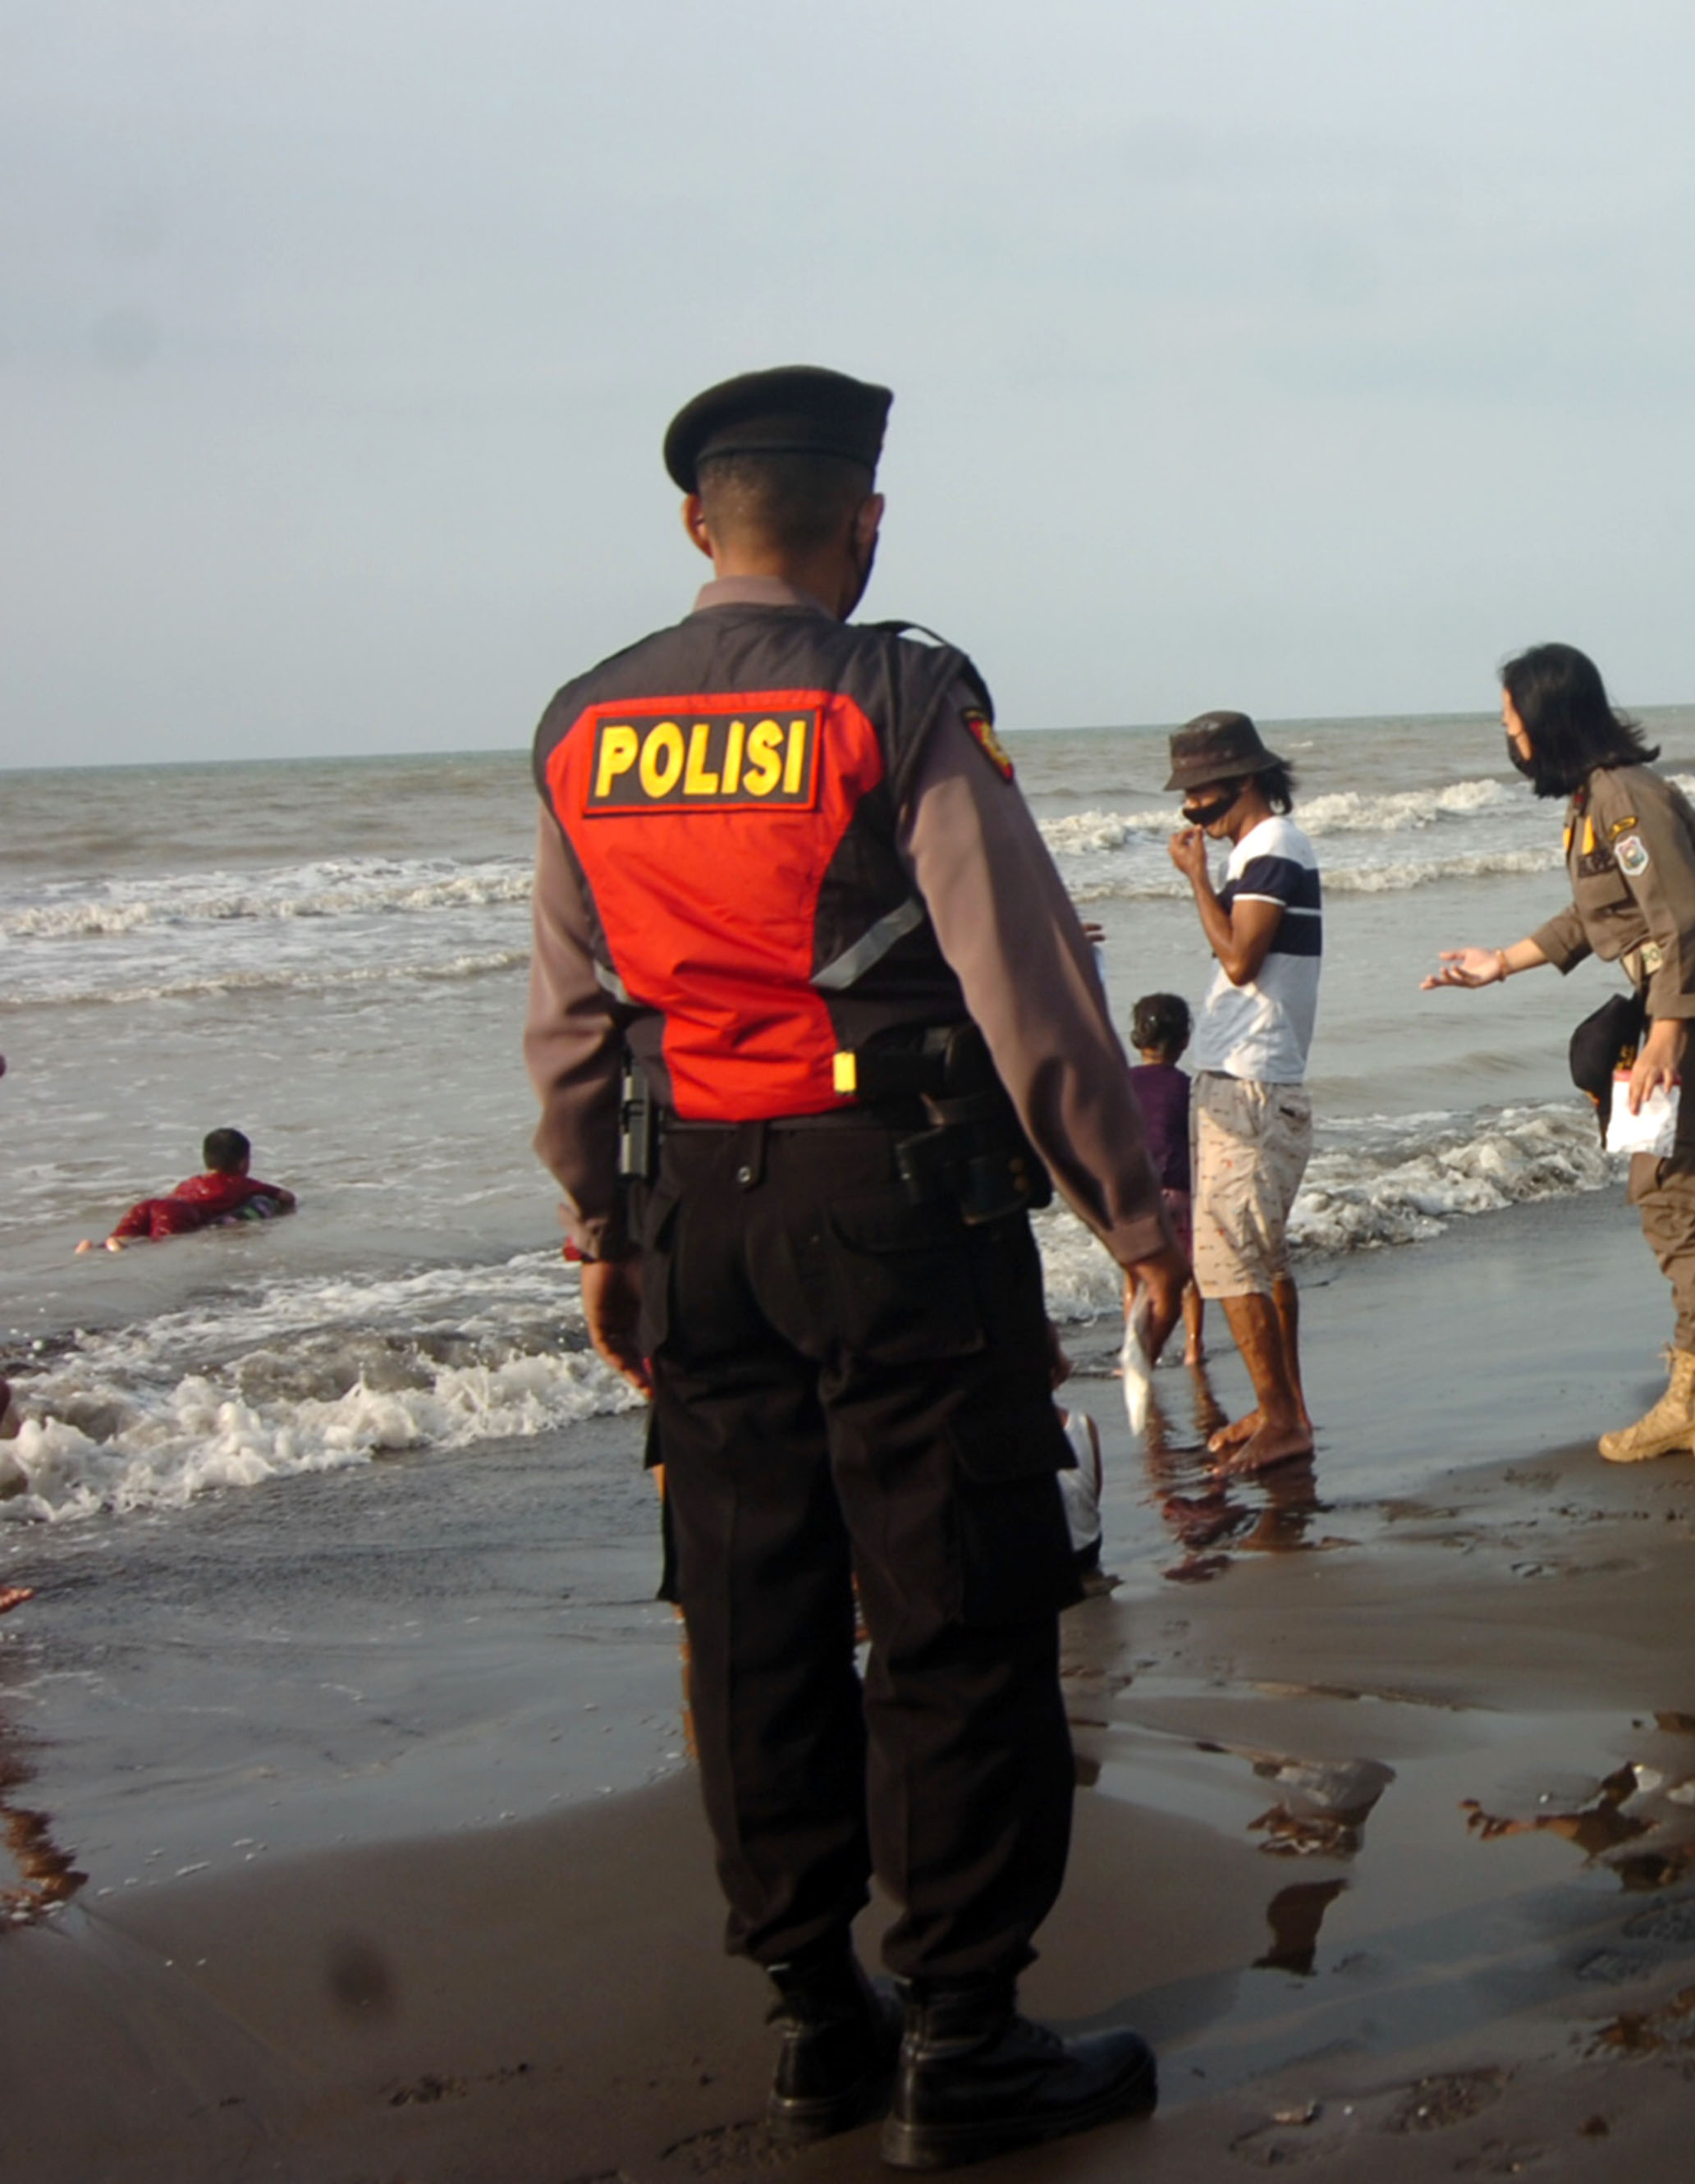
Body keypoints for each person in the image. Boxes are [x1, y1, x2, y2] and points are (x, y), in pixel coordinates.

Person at [524, 365, 1184, 2167]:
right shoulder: (894, 693)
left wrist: (601, 1225)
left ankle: (816, 2018)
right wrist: (1130, 1210)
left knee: (751, 1615)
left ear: (696, 524)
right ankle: (962, 2035)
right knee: (956, 1606)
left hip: (692, 1214)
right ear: (864, 523)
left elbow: (571, 1021)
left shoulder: (584, 724)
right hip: (894, 1209)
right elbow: (1024, 978)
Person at [1420, 642, 1695, 1466]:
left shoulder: (1624, 797)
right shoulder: (1598, 798)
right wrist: (1501, 962)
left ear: (1547, 719)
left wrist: (1667, 1030)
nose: (1509, 737)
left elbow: (1683, 918)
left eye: (1512, 721)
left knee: (1670, 1202)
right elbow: (1598, 914)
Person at [1163, 713, 1322, 1477]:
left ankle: (1283, 1420)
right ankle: (1281, 1407)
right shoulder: (1262, 853)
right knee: (1260, 1259)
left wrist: (1197, 880)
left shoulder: (1272, 848)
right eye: (1188, 797)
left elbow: (1238, 960)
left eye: (1203, 794)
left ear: (1246, 781)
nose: (1194, 810)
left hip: (1250, 1083)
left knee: (1228, 1261)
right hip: (1250, 1078)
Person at [1125, 993, 1204, 1368]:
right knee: (1188, 1277)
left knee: (1135, 1278)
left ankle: (1136, 1348)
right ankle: (1193, 1348)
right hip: (1179, 1194)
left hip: (1135, 1196)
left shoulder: (1122, 1083)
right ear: (1185, 1040)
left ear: (1136, 1038)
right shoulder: (1189, 1087)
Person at [80, 1128, 295, 1252]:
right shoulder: (241, 1183)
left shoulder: (191, 1182)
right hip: (178, 1214)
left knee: (126, 1237)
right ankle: (119, 1249)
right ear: (242, 1163)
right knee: (156, 1247)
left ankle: (91, 1247)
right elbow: (286, 1197)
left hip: (152, 1205)